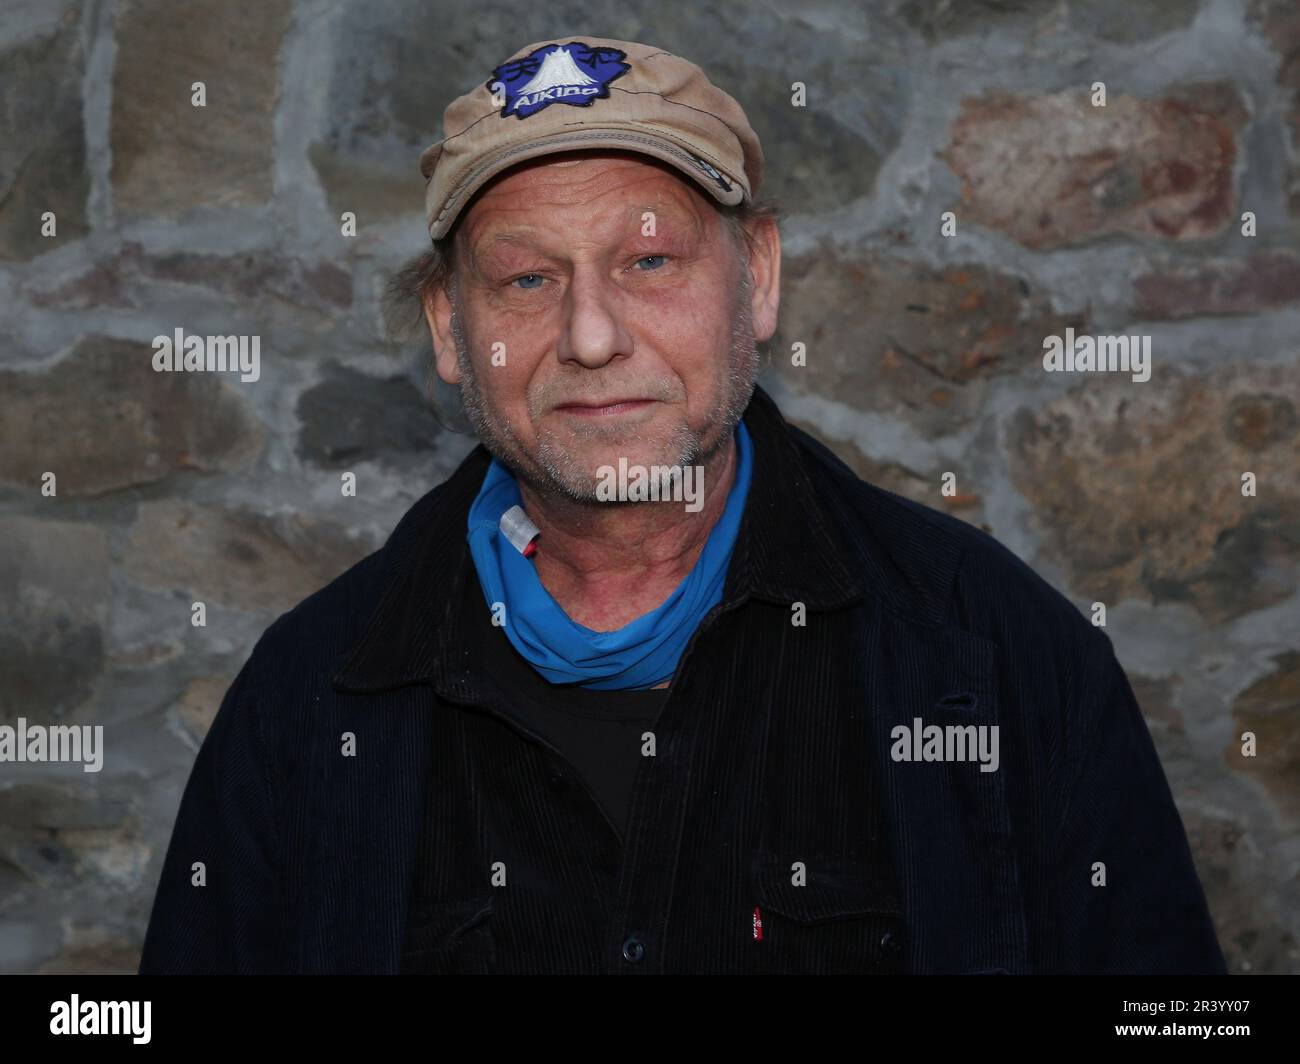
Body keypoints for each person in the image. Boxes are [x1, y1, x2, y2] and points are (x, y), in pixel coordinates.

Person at [139, 35, 1225, 974]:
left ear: (755, 277)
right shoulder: (310, 703)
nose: (593, 335)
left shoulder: (990, 656)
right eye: (525, 278)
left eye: (649, 259)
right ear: (447, 327)